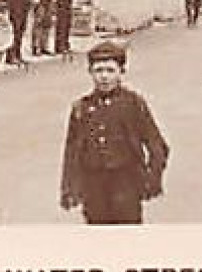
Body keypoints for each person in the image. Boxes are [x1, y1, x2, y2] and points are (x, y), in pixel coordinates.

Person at [60, 40, 170, 225]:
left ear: (121, 72)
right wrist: (69, 188)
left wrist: (152, 178)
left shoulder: (133, 103)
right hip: (93, 185)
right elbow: (72, 152)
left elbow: (157, 144)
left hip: (126, 182)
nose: (104, 77)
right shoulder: (82, 108)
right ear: (90, 72)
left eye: (110, 71)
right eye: (98, 70)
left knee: (128, 233)